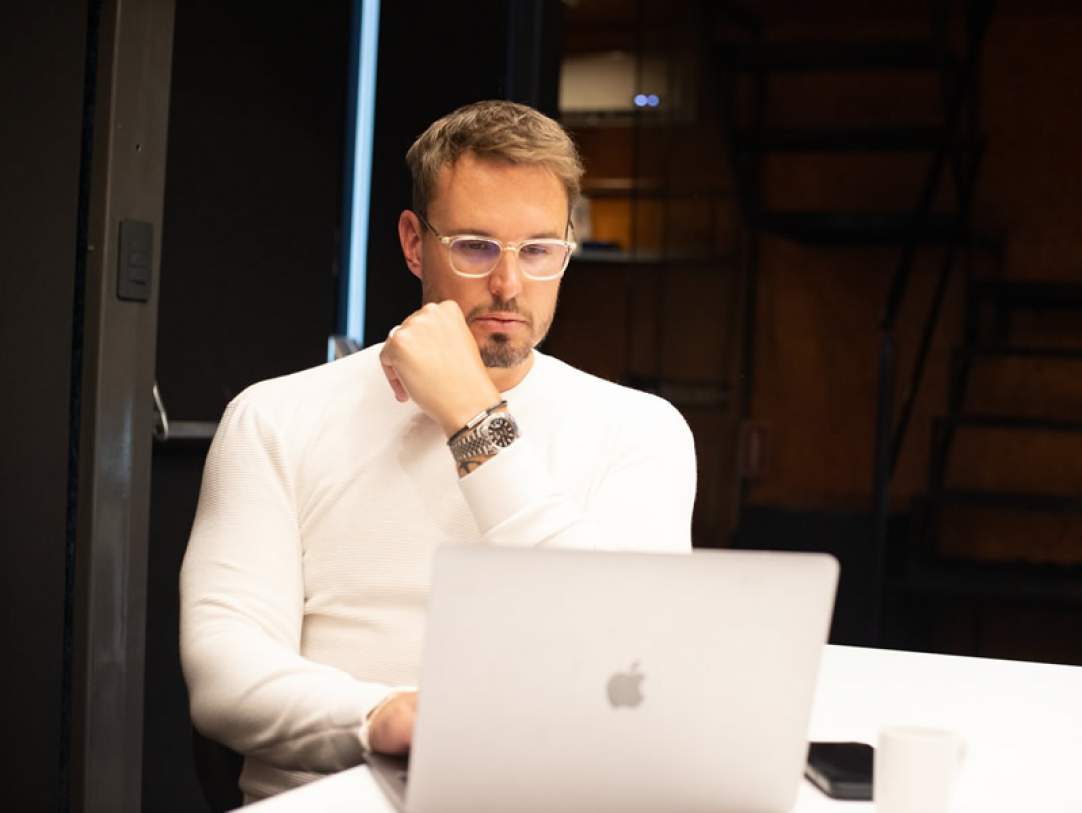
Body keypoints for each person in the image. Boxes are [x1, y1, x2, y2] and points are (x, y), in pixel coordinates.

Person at [179, 100, 697, 802]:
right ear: (415, 243)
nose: (509, 285)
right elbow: (224, 673)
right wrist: (381, 717)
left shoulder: (641, 429)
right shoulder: (275, 416)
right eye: (476, 247)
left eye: (539, 251)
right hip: (337, 797)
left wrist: (470, 416)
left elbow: (626, 643)